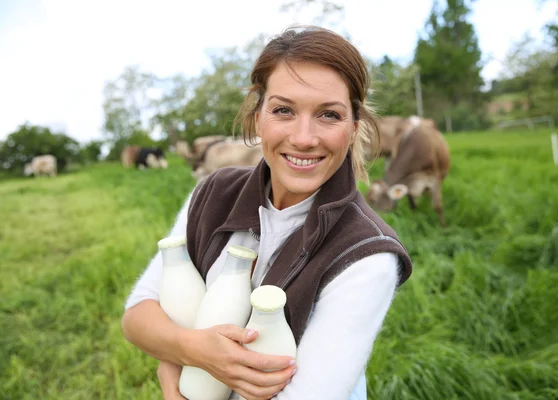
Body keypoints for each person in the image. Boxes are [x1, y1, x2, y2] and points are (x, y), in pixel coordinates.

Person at [121, 25, 413, 400]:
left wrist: (173, 361)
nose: (304, 137)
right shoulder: (212, 193)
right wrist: (190, 350)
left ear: (354, 128)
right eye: (283, 110)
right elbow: (137, 316)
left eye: (329, 115)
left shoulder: (367, 255)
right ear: (258, 117)